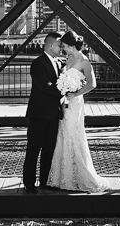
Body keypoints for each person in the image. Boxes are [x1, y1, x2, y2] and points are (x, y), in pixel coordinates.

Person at [47, 30, 109, 192]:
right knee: (63, 135)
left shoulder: (84, 61)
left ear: (73, 45)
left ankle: (79, 175)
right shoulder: (68, 59)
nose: (64, 49)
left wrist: (75, 93)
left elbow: (92, 84)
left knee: (73, 134)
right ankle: (63, 177)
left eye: (66, 46)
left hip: (75, 104)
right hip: (65, 103)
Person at [22, 32, 64, 194]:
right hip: (39, 114)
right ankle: (29, 183)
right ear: (51, 45)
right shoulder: (38, 63)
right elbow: (45, 86)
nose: (61, 48)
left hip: (53, 114)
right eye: (60, 45)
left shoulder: (58, 63)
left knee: (49, 150)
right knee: (33, 149)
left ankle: (45, 181)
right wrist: (64, 90)